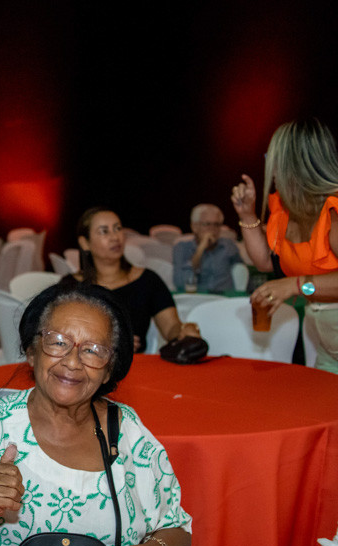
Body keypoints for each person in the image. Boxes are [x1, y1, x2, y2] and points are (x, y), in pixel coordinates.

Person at [0, 281, 192, 546]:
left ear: (108, 370)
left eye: (92, 350)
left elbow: (177, 530)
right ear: (31, 351)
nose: (72, 362)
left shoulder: (127, 430)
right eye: (58, 342)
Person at [232, 118, 338, 373]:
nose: (270, 167)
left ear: (295, 164)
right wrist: (247, 215)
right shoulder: (285, 209)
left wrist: (295, 285)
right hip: (329, 347)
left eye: (273, 158)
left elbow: (303, 284)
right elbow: (265, 262)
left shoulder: (333, 211)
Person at [70, 207, 200, 352]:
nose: (115, 237)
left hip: (137, 363)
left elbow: (171, 327)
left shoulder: (147, 280)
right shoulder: (71, 287)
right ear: (85, 243)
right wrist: (105, 344)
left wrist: (183, 330)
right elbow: (63, 336)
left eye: (117, 228)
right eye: (104, 231)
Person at [172, 204, 242, 293]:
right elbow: (181, 283)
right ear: (194, 227)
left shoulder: (228, 246)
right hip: (196, 297)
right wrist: (200, 249)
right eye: (207, 224)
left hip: (224, 297)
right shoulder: (181, 248)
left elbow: (243, 273)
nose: (212, 229)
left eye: (216, 225)